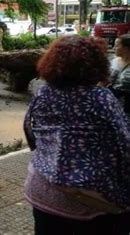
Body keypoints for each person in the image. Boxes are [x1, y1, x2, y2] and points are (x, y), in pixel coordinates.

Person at [24, 35, 130, 234]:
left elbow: (30, 132)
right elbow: (123, 142)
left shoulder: (42, 92)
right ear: (97, 65)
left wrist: (48, 155)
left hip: (41, 190)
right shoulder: (101, 98)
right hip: (88, 201)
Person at [109, 34, 130, 114]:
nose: (114, 48)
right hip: (113, 103)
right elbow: (105, 81)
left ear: (126, 48)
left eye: (117, 46)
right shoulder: (114, 61)